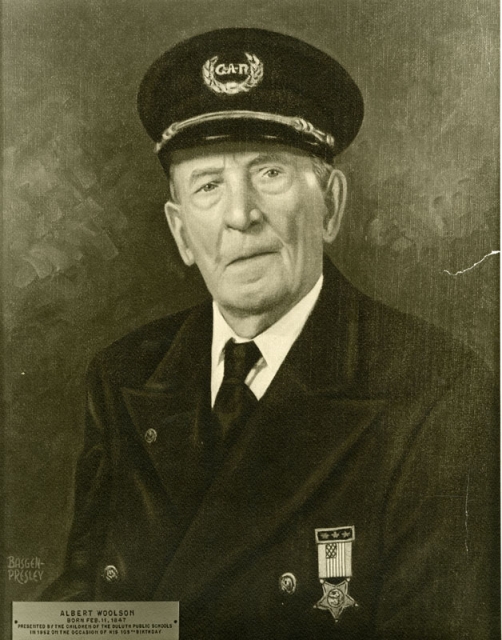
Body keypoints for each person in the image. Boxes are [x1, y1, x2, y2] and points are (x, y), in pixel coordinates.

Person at [42, 28, 498, 639]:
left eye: (271, 172)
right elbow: (83, 618)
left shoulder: (437, 388)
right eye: (208, 185)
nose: (240, 214)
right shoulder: (123, 374)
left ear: (331, 205)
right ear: (180, 232)